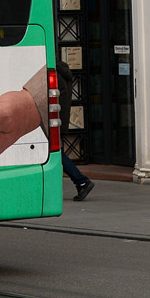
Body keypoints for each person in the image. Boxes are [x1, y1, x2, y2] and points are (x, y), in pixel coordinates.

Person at [57, 60, 94, 201]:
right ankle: (81, 182)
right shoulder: (63, 73)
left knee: (54, 154)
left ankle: (81, 181)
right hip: (60, 120)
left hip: (52, 122)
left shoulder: (54, 75)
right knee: (55, 153)